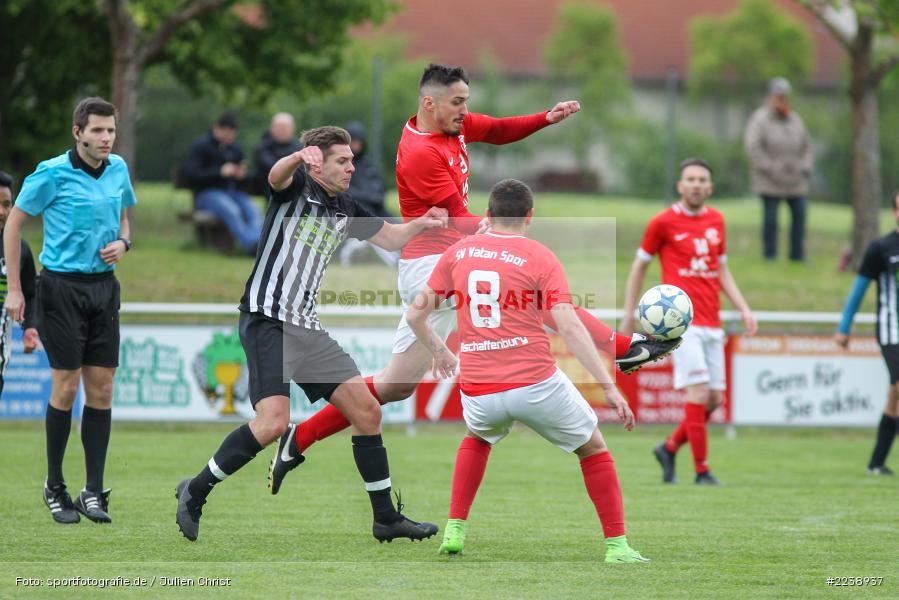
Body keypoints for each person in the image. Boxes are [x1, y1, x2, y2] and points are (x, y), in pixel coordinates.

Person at [272, 65, 680, 491]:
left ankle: (297, 438)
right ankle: (622, 349)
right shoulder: (420, 152)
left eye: (466, 101)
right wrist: (497, 231)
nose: (466, 110)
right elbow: (459, 217)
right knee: (532, 293)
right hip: (430, 265)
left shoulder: (454, 127)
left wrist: (546, 118)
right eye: (458, 102)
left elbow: (500, 130)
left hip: (453, 255)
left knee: (395, 385)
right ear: (429, 103)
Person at [175, 125, 446, 543]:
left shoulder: (345, 207)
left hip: (307, 327)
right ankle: (195, 490)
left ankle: (385, 518)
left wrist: (423, 224)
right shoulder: (296, 184)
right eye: (342, 161)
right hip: (268, 320)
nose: (351, 167)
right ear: (318, 161)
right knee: (271, 424)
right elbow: (274, 177)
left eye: (352, 161)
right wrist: (298, 157)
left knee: (368, 412)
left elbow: (390, 237)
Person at [407, 179, 648, 563]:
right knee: (594, 449)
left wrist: (441, 352)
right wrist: (609, 385)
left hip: (479, 387)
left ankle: (455, 527)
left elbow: (416, 315)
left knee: (477, 437)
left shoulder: (459, 252)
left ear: (487, 215)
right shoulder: (539, 255)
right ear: (530, 217)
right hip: (534, 383)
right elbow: (567, 325)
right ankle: (617, 547)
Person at [3, 97, 136, 524]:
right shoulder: (51, 173)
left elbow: (125, 218)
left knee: (102, 389)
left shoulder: (118, 169)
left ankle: (93, 491)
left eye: (110, 131)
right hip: (59, 289)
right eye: (97, 130)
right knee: (65, 387)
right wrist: (17, 290)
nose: (105, 138)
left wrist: (124, 242)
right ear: (77, 132)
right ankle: (55, 486)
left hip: (104, 290)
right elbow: (14, 223)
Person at [622, 158, 756, 485]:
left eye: (702, 180)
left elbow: (721, 269)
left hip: (713, 320)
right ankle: (702, 471)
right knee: (698, 392)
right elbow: (639, 266)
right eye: (690, 179)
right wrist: (629, 313)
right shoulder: (663, 222)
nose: (696, 184)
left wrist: (743, 307)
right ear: (680, 186)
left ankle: (669, 448)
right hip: (682, 326)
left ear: (709, 187)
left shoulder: (717, 221)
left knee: (714, 400)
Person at [835, 189, 899, 475]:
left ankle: (876, 462)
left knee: (895, 396)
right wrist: (844, 327)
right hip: (891, 329)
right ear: (894, 212)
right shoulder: (881, 247)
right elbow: (858, 290)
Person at [744, 77, 813, 262]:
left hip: (795, 179)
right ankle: (770, 255)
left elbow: (806, 145)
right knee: (771, 220)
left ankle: (797, 255)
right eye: (778, 95)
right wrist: (770, 167)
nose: (781, 99)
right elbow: (753, 147)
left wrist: (805, 166)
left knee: (799, 216)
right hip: (770, 180)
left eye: (784, 96)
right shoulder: (759, 119)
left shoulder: (795, 119)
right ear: (770, 97)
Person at [185, 112, 262, 255]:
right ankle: (252, 246)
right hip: (207, 194)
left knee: (253, 209)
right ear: (217, 128)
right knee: (231, 210)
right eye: (227, 134)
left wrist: (241, 174)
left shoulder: (235, 148)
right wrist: (219, 171)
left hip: (232, 192)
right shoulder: (201, 146)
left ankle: (258, 243)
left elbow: (243, 172)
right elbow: (193, 175)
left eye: (232, 135)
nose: (229, 138)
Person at [0, 170, 40, 395]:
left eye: (7, 205)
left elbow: (30, 293)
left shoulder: (19, 250)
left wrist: (30, 327)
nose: (2, 211)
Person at [338, 121, 399, 267]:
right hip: (353, 215)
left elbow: (378, 192)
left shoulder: (368, 165)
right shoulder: (339, 165)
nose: (356, 146)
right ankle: (394, 260)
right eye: (353, 142)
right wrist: (366, 197)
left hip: (375, 211)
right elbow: (344, 193)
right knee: (373, 228)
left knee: (399, 227)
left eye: (358, 142)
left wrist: (367, 197)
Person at [254, 112, 303, 195]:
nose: (282, 131)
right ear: (271, 128)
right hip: (271, 189)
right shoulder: (263, 148)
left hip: (298, 188)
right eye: (279, 128)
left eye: (285, 128)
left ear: (292, 129)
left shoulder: (299, 147)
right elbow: (272, 167)